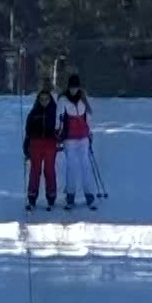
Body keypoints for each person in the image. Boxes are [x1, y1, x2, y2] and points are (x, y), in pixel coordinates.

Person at [57, 74, 99, 211]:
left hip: (83, 137)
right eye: (71, 87)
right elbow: (59, 118)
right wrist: (58, 133)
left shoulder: (83, 99)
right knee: (71, 166)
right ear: (68, 87)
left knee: (85, 165)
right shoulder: (62, 100)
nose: (73, 90)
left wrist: (90, 133)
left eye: (76, 87)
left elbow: (88, 118)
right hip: (69, 138)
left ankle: (89, 195)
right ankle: (70, 195)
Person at [23, 88, 59, 212]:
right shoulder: (33, 113)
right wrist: (26, 145)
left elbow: (60, 128)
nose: (44, 102)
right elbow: (28, 131)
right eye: (42, 99)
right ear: (38, 100)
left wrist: (59, 138)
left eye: (46, 99)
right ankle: (32, 197)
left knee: (49, 170)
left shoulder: (54, 112)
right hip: (35, 144)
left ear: (50, 100)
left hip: (50, 144)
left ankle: (51, 197)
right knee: (35, 171)